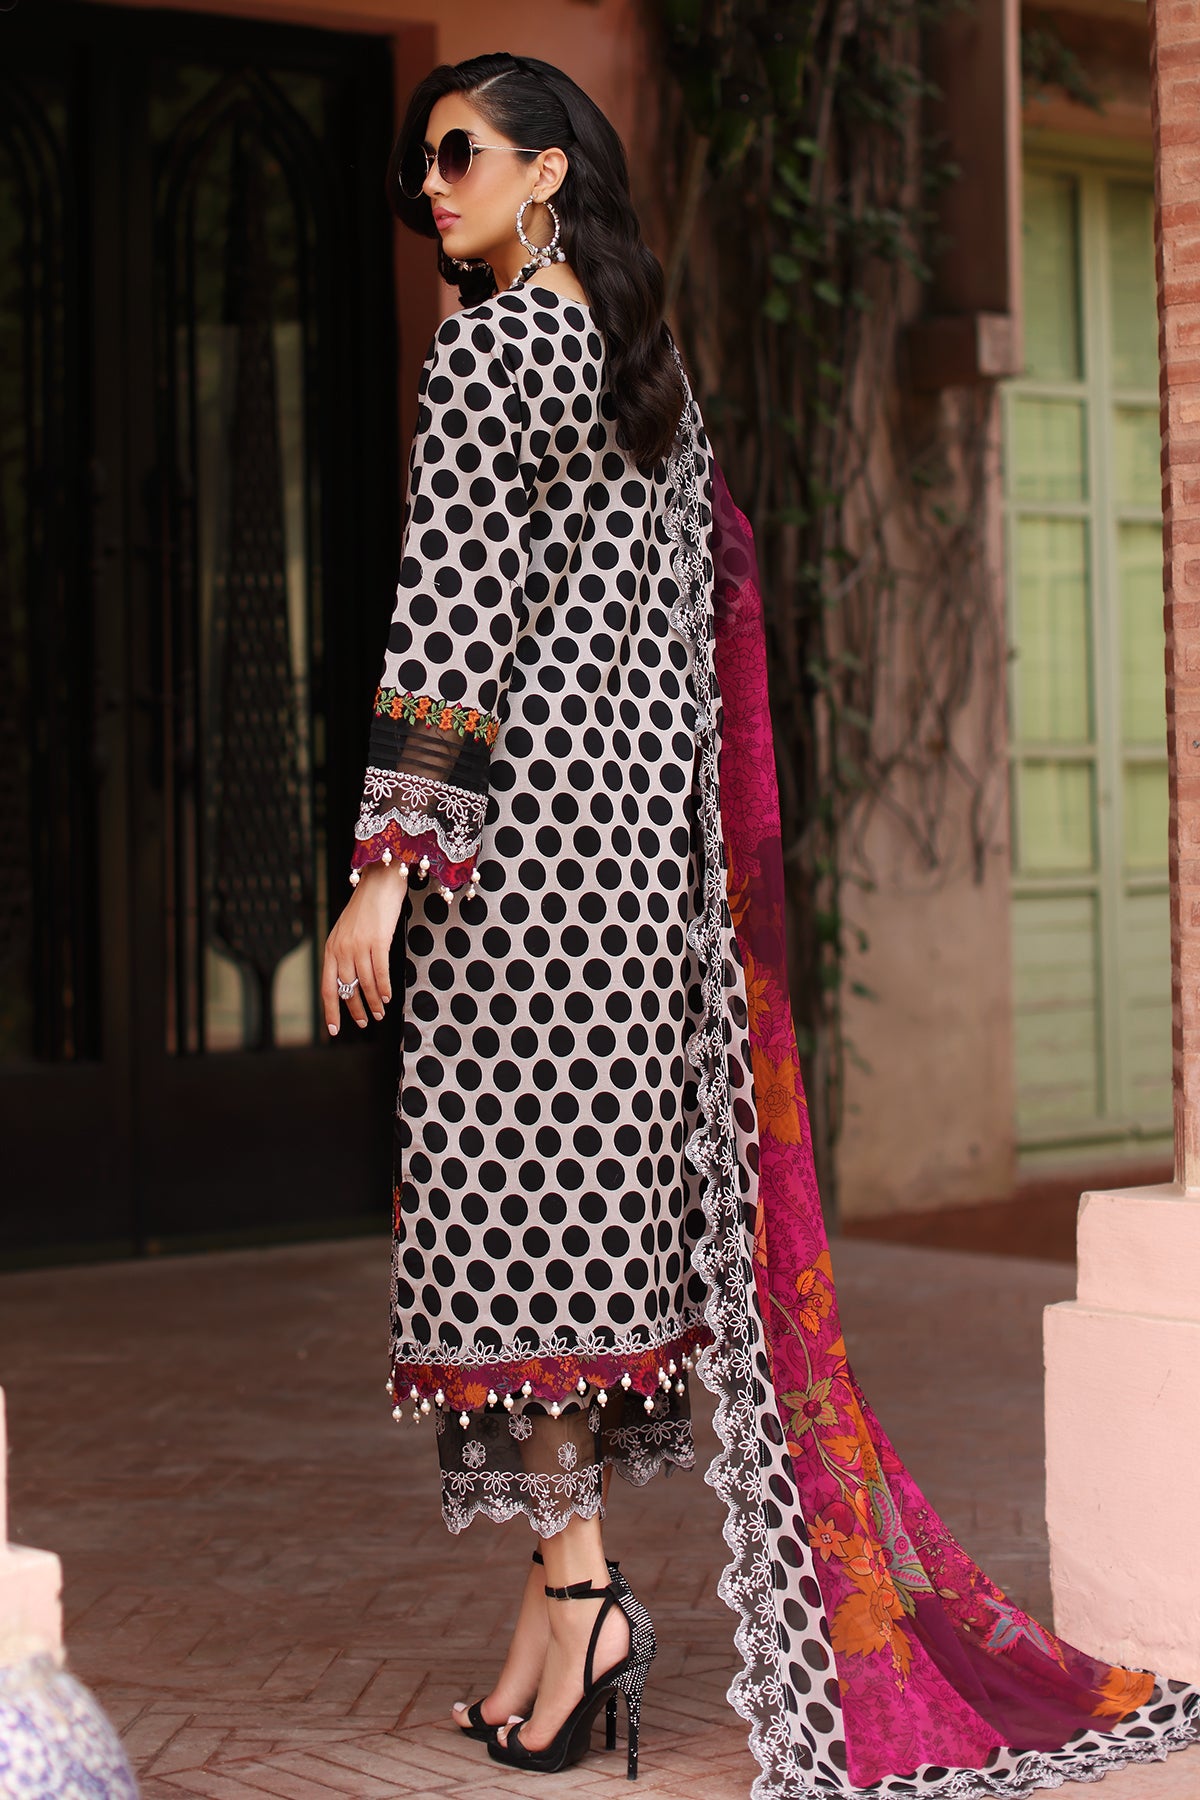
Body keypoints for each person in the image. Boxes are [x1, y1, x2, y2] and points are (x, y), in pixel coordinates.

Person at [322, 50, 1200, 1794]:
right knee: (576, 1241)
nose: (431, 185)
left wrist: (388, 867)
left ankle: (585, 1604)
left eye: (461, 154)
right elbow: (680, 648)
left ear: (548, 173)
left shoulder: (491, 352)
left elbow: (450, 617)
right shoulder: (646, 374)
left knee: (508, 1243)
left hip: (522, 879)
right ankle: (553, 1616)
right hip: (641, 887)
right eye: (424, 160)